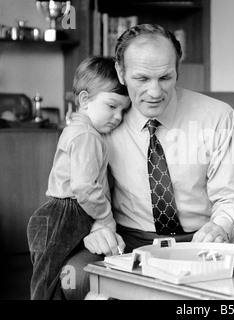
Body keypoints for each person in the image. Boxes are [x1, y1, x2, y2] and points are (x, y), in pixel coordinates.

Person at [62, 24, 234, 300]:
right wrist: (96, 225)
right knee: (75, 277)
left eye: (165, 78)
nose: (155, 92)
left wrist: (221, 227)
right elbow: (80, 187)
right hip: (127, 239)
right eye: (141, 79)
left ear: (178, 70)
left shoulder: (217, 116)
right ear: (121, 72)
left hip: (199, 240)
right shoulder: (104, 119)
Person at [26, 56, 130, 299]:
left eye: (123, 110)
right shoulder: (87, 136)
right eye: (112, 106)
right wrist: (105, 217)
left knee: (48, 280)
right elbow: (84, 186)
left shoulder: (76, 129)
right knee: (47, 285)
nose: (118, 116)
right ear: (85, 100)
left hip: (60, 212)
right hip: (67, 212)